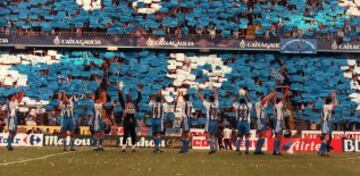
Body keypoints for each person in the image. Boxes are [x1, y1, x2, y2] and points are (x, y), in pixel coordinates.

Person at [118, 84, 142, 152]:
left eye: (129, 97)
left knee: (133, 134)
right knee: (125, 133)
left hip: (132, 119)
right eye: (127, 97)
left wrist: (139, 91)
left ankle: (133, 147)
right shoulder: (124, 104)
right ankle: (123, 147)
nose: (129, 97)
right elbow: (120, 99)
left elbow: (139, 99)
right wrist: (119, 91)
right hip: (127, 119)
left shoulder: (134, 103)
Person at [197, 86, 219, 154]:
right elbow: (216, 97)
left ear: (209, 100)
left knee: (207, 135)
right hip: (215, 121)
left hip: (209, 121)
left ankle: (212, 148)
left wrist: (198, 92)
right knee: (213, 135)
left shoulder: (208, 105)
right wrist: (215, 91)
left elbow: (202, 99)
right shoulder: (216, 104)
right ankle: (215, 147)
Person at [318, 92, 337, 157]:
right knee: (326, 138)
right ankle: (321, 151)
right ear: (330, 101)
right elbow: (335, 104)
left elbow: (334, 105)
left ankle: (323, 151)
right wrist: (334, 97)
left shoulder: (325, 106)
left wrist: (333, 98)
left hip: (326, 122)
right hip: (326, 122)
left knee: (326, 138)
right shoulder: (327, 106)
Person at [273, 87, 288, 156]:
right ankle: (277, 150)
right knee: (278, 136)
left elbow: (275, 97)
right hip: (278, 121)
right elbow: (283, 98)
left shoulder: (275, 105)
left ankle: (275, 150)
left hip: (277, 121)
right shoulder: (279, 105)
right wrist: (286, 90)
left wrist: (276, 89)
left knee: (277, 135)